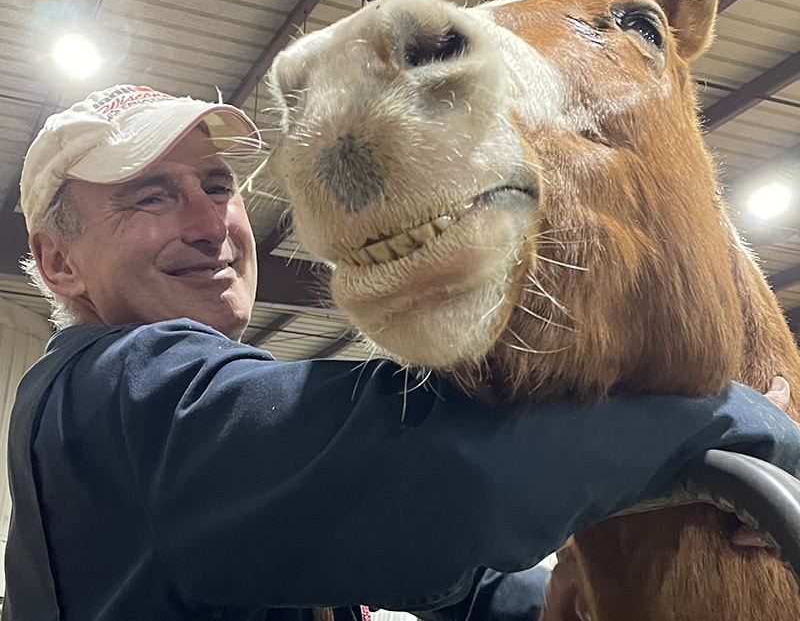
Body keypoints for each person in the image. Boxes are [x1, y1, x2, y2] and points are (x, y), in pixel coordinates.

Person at [4, 85, 800, 621]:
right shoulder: (120, 390)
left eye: (216, 184)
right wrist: (732, 420)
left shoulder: (174, 438)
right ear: (60, 261)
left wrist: (574, 586)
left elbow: (455, 576)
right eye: (150, 195)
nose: (210, 221)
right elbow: (425, 471)